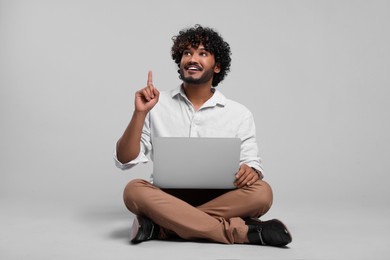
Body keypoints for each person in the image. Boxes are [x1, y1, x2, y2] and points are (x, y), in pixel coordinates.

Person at [114, 25, 292, 247]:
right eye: (187, 53)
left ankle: (163, 227)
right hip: (168, 197)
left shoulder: (239, 113)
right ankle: (237, 232)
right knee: (134, 190)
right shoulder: (156, 106)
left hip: (221, 198)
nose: (192, 58)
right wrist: (140, 113)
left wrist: (251, 170)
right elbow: (125, 158)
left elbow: (251, 161)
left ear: (217, 66)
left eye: (202, 53)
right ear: (180, 62)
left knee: (262, 193)